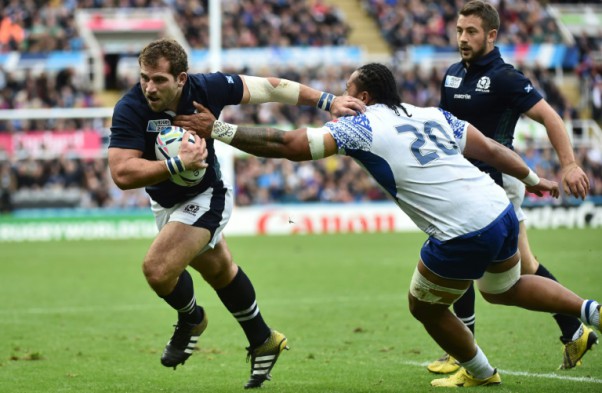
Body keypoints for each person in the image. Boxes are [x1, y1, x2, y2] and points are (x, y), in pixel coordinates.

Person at [176, 62, 602, 388]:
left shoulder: (359, 126)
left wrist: (219, 128)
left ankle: (480, 371)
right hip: (500, 209)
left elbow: (289, 144)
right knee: (503, 288)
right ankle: (590, 311)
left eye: (347, 91)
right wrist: (533, 179)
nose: (342, 98)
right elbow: (491, 148)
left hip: (461, 230)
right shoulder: (433, 114)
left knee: (424, 306)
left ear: (361, 94)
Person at [107, 38, 365, 389]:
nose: (149, 87)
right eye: (144, 78)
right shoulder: (131, 107)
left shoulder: (207, 88)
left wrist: (328, 100)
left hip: (207, 195)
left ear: (181, 79)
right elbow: (122, 173)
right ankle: (263, 339)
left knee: (157, 269)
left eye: (159, 80)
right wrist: (178, 163)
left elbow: (271, 87)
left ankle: (191, 319)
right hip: (165, 202)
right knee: (220, 270)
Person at [429, 0, 597, 375]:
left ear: (491, 35)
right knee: (525, 267)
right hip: (464, 183)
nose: (462, 38)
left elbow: (550, 116)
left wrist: (568, 163)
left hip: (497, 183)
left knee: (460, 258)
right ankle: (576, 329)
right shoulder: (453, 74)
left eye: (471, 31)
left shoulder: (505, 77)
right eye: (459, 30)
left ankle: (462, 351)